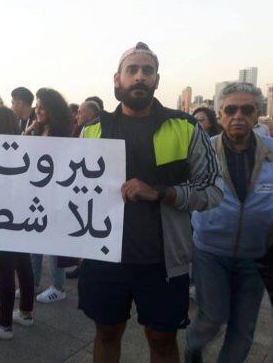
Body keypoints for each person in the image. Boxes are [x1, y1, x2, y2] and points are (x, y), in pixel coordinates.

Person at [79, 42, 223, 363]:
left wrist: (161, 192)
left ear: (157, 80)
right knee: (106, 332)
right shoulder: (91, 131)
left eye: (148, 71)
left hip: (163, 261)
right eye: (133, 70)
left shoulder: (185, 127)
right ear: (118, 79)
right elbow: (65, 192)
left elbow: (213, 190)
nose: (140, 77)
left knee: (162, 339)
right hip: (104, 259)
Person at [186, 82, 273, 363]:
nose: (238, 116)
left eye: (246, 110)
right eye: (231, 109)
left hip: (257, 255)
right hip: (210, 251)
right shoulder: (202, 151)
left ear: (257, 113)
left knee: (243, 327)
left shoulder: (272, 151)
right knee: (212, 316)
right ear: (220, 113)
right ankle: (193, 346)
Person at [0, 107, 36, 339]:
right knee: (24, 264)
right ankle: (26, 313)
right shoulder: (25, 149)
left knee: (4, 271)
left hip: (1, 219)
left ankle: (4, 325)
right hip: (23, 217)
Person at [23, 88, 73, 303]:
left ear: (53, 109)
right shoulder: (41, 129)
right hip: (39, 193)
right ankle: (32, 283)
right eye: (37, 106)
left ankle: (58, 286)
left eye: (42, 106)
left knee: (53, 242)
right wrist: (31, 129)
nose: (38, 110)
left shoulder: (62, 132)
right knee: (35, 239)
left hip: (57, 195)